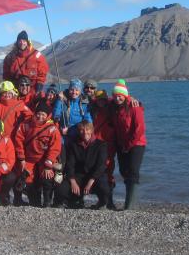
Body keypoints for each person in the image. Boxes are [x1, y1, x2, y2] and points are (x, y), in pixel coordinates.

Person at [13, 103, 62, 207]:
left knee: (47, 175)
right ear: (34, 113)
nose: (40, 116)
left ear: (48, 115)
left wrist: (49, 163)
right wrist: (21, 158)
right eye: (38, 114)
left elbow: (55, 148)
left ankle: (47, 201)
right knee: (25, 177)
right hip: (29, 158)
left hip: (44, 159)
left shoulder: (52, 129)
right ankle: (32, 200)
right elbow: (18, 141)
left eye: (43, 114)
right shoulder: (25, 124)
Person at [109, 79, 146, 210]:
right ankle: (130, 200)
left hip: (136, 144)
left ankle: (129, 206)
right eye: (115, 96)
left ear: (125, 96)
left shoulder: (134, 107)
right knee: (123, 171)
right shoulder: (114, 106)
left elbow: (139, 128)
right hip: (122, 144)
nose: (118, 98)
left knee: (133, 171)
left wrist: (129, 145)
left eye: (120, 96)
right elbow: (100, 99)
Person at [55, 120, 109, 209]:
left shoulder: (101, 145)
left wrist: (91, 181)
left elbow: (101, 165)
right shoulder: (74, 145)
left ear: (91, 130)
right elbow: (70, 164)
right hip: (79, 175)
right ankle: (73, 200)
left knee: (104, 188)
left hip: (94, 176)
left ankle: (102, 203)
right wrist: (72, 181)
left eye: (87, 130)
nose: (85, 132)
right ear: (79, 131)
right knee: (61, 189)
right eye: (82, 130)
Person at [91, 90, 117, 209]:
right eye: (99, 100)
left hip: (109, 146)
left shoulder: (112, 108)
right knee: (97, 171)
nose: (101, 102)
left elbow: (122, 98)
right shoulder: (93, 110)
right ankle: (102, 200)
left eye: (103, 99)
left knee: (109, 172)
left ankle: (110, 201)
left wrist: (132, 99)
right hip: (97, 145)